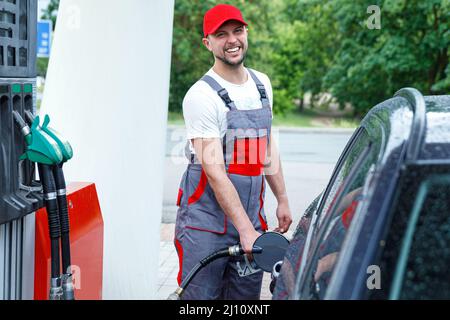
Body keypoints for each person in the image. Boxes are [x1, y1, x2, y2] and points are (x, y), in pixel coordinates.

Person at [174, 3, 292, 300]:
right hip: (206, 227)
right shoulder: (201, 96)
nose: (232, 40)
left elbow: (266, 149)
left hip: (250, 221)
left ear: (246, 32)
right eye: (221, 34)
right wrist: (245, 231)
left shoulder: (262, 84)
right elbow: (214, 173)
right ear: (208, 43)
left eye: (237, 31)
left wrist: (283, 199)